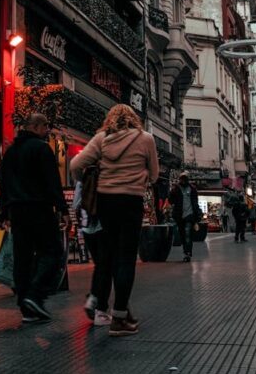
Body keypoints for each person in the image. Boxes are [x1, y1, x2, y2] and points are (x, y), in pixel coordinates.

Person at [70, 104, 159, 337]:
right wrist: (139, 177)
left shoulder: (102, 138)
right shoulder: (146, 138)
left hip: (105, 202)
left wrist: (89, 178)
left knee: (110, 256)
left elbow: (75, 165)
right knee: (127, 258)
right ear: (133, 119)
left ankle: (118, 313)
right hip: (131, 202)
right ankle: (119, 316)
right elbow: (155, 174)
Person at [0, 113, 67, 324]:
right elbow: (52, 182)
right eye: (46, 125)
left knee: (23, 257)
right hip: (39, 209)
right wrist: (63, 209)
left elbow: (4, 184)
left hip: (17, 212)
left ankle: (26, 307)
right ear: (36, 126)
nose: (48, 130)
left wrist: (4, 212)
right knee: (53, 252)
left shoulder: (10, 153)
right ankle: (35, 295)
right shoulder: (41, 148)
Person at [72, 178, 111, 326]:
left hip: (86, 227)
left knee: (100, 265)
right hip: (103, 226)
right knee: (106, 266)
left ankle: (94, 298)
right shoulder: (106, 172)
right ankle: (99, 307)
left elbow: (75, 203)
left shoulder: (83, 177)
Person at [169, 173, 200, 262]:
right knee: (183, 234)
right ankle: (185, 251)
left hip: (189, 215)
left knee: (187, 233)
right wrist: (172, 192)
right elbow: (171, 201)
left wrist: (197, 215)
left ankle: (188, 253)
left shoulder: (192, 189)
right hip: (179, 216)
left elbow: (195, 203)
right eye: (181, 179)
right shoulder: (176, 189)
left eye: (184, 179)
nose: (183, 181)